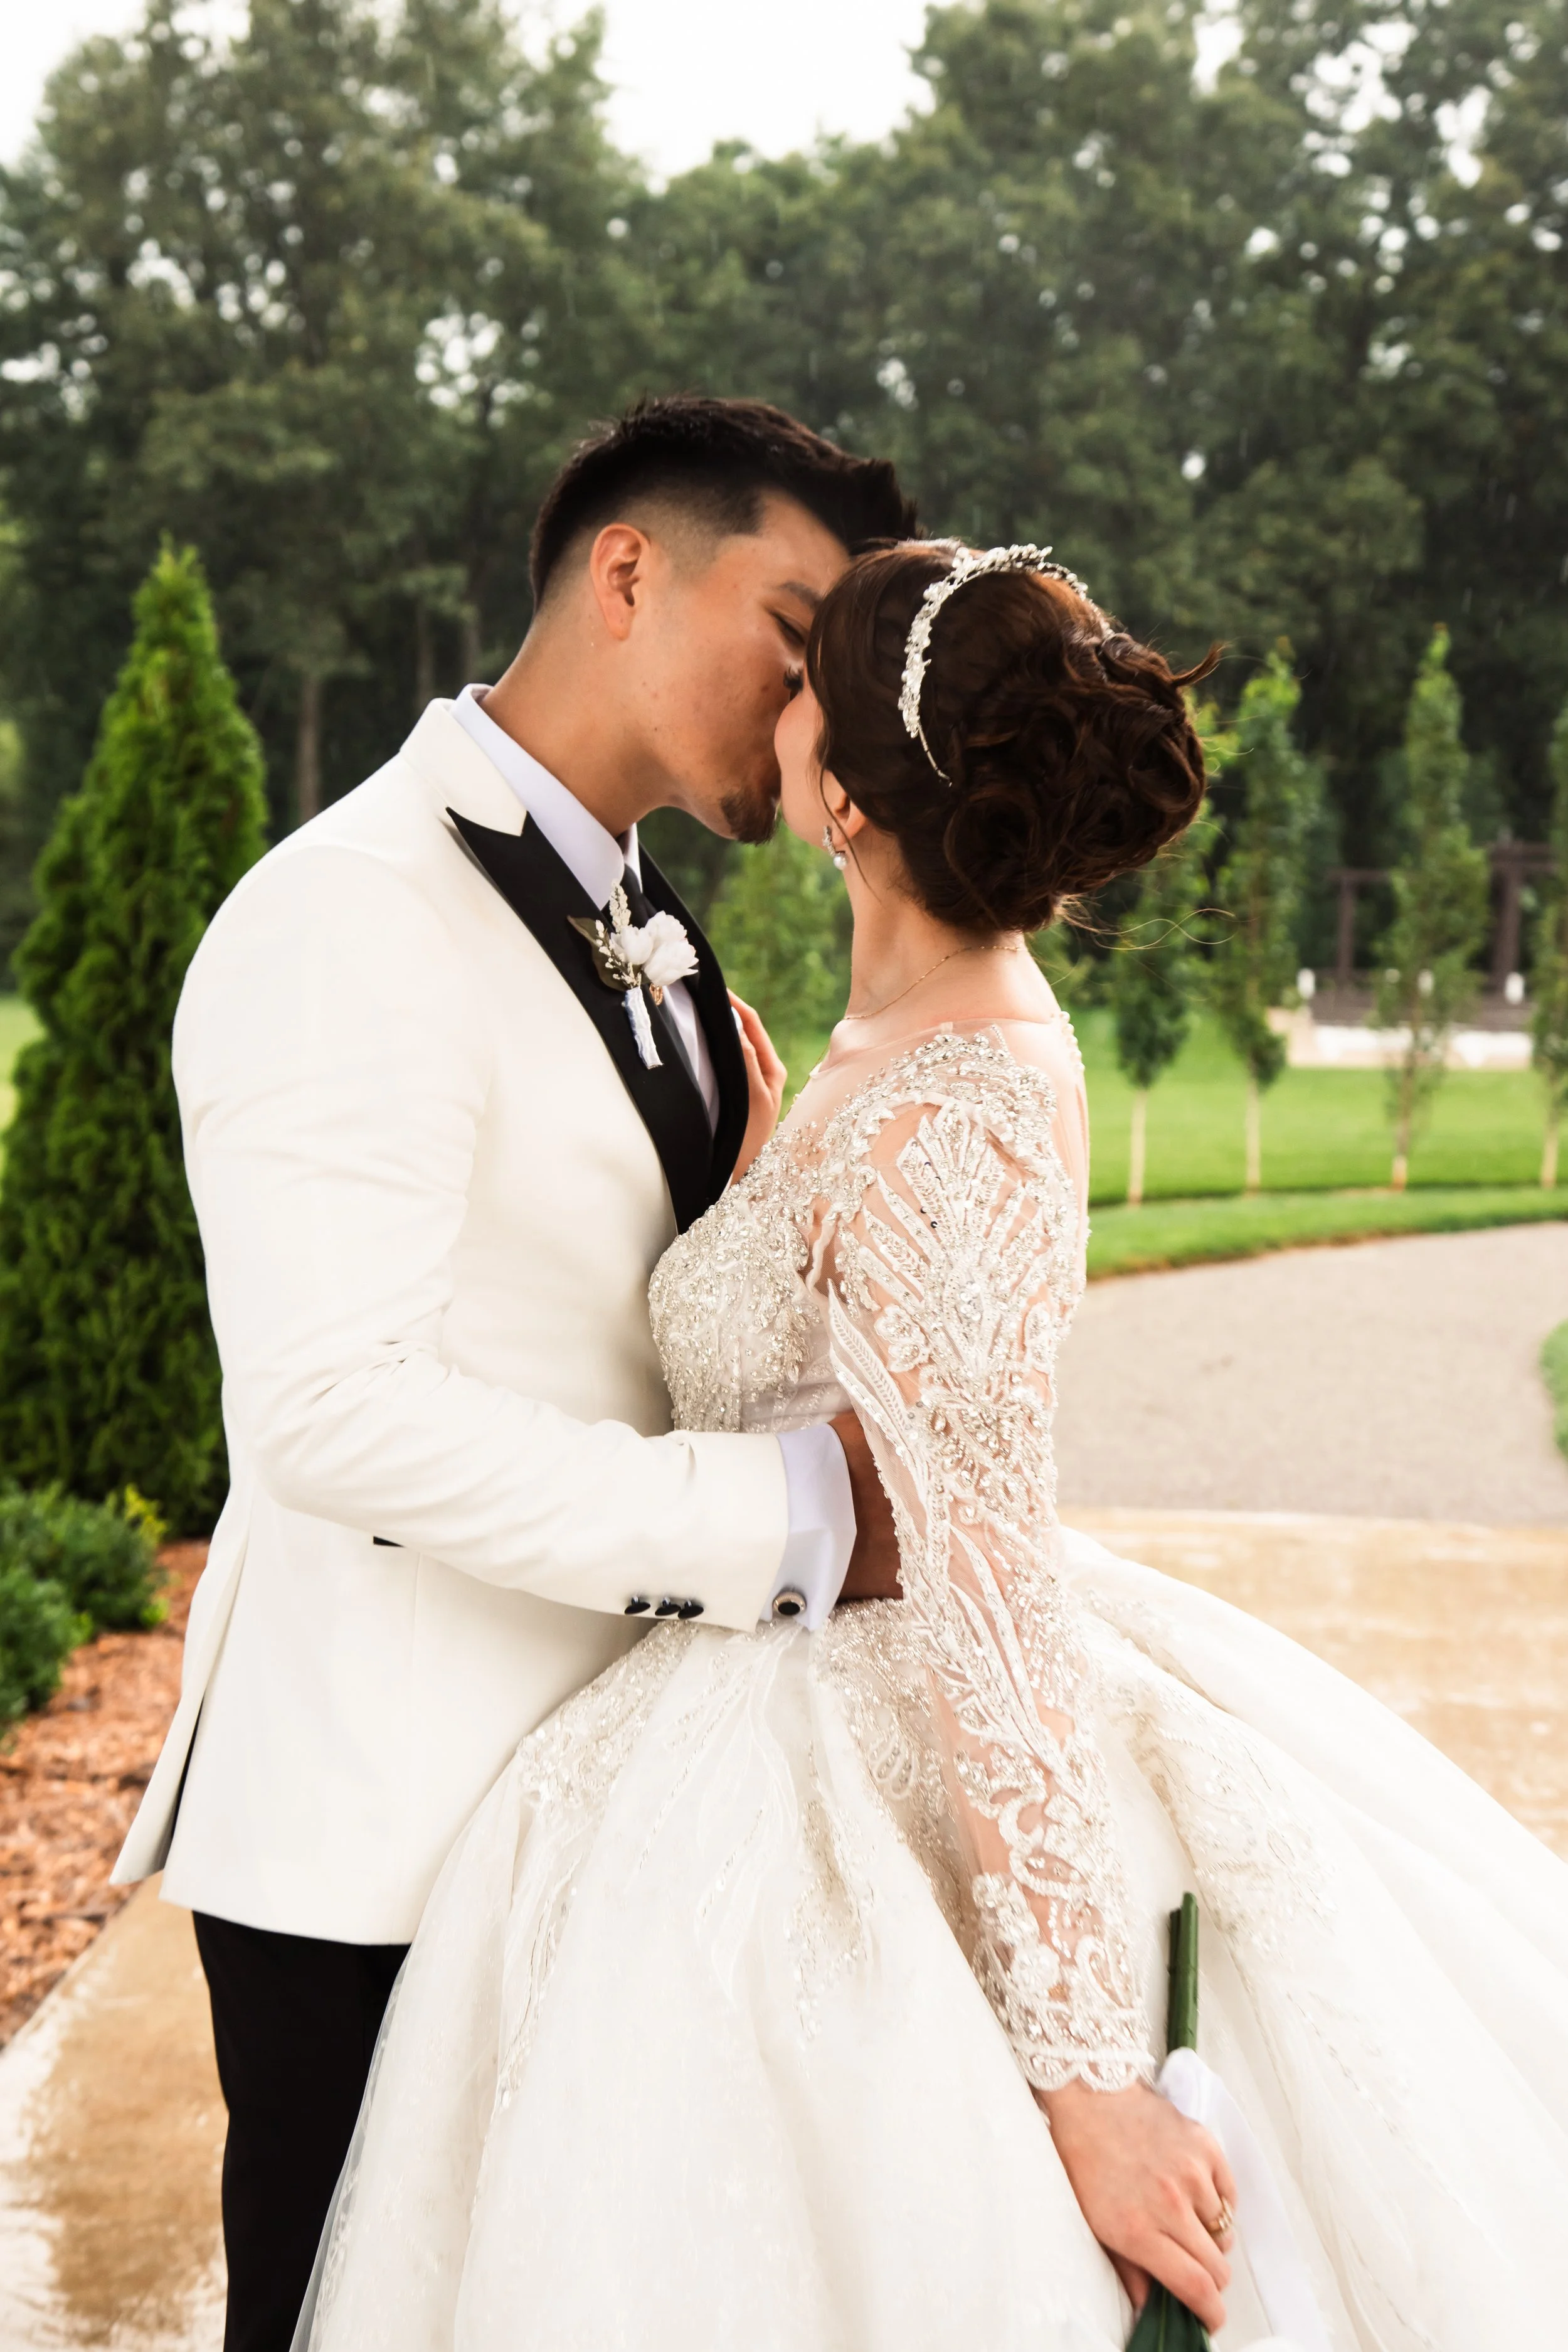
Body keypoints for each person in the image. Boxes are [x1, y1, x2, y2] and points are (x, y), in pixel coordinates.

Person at [291, 538, 1568, 2352]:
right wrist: (767, 1194)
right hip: (754, 1666)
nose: (775, 696)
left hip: (854, 1723)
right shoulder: (888, 1045)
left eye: (806, 668)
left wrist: (1083, 2079)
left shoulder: (949, 1106)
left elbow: (982, 1586)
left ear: (845, 792)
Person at [111, 395, 918, 2352]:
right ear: (626, 571)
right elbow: (338, 1410)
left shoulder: (650, 928)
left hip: (610, 1815)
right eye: (795, 634)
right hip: (380, 1845)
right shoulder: (346, 912)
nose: (819, 705)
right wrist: (793, 1514)